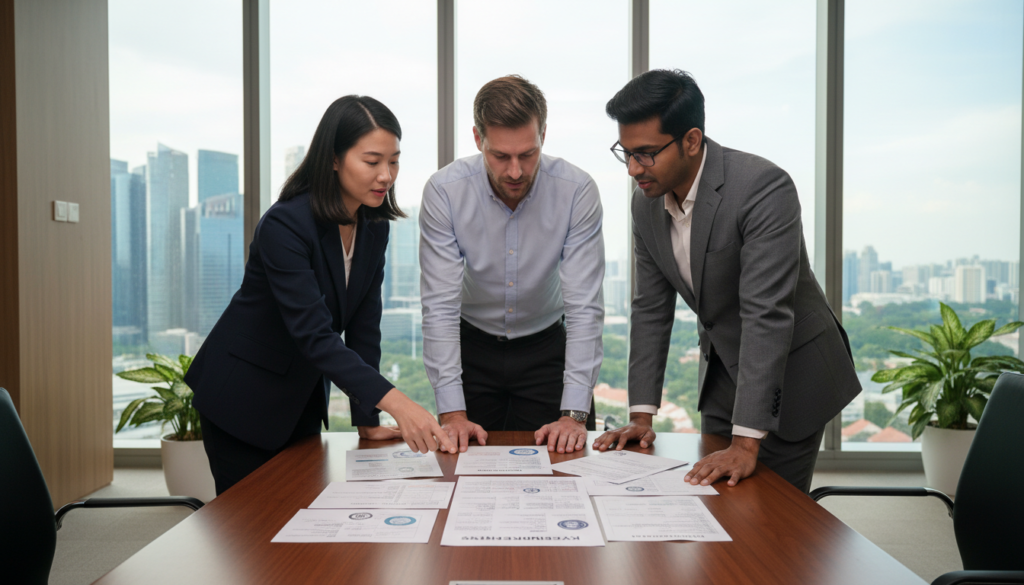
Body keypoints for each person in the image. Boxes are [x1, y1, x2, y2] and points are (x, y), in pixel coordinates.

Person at [593, 70, 860, 494]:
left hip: (792, 372)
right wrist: (640, 418)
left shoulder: (762, 188)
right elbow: (649, 310)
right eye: (624, 153)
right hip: (722, 373)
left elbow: (766, 314)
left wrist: (745, 443)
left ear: (691, 140)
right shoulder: (645, 206)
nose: (632, 169)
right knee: (715, 507)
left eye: (644, 154)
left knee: (771, 519)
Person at [185, 95, 456, 495]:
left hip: (297, 400)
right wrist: (398, 403)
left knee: (301, 525)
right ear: (333, 159)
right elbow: (314, 334)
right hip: (241, 398)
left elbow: (365, 328)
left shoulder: (373, 226)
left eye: (394, 161)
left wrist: (368, 419)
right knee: (249, 534)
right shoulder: (285, 225)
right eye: (372, 161)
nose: (386, 175)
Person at [419, 75, 605, 455]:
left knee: (563, 470)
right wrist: (452, 414)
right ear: (477, 140)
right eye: (500, 156)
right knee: (463, 474)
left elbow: (585, 308)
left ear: (544, 135)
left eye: (528, 154)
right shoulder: (445, 191)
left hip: (547, 350)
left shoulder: (577, 190)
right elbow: (439, 307)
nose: (516, 171)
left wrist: (573, 414)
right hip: (471, 350)